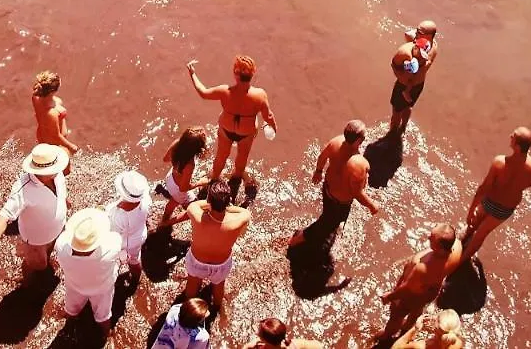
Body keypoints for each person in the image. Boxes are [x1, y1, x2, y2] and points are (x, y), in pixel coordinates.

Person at [288, 120, 380, 252]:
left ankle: (333, 226)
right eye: (363, 138)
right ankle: (296, 240)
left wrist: (318, 172)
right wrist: (372, 205)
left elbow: (322, 157)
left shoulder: (336, 141)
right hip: (340, 202)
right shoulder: (359, 164)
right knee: (325, 224)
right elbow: (357, 193)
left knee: (329, 217)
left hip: (327, 190)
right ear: (358, 141)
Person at [186, 56, 276, 182]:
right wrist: (274, 127)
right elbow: (268, 117)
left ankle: (215, 177)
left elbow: (203, 92)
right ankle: (237, 177)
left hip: (226, 130)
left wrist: (192, 73)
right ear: (253, 74)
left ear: (235, 73)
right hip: (246, 133)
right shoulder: (260, 94)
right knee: (242, 156)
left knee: (221, 156)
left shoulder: (225, 91)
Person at [460, 127, 531, 264]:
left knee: (474, 224)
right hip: (505, 209)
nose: (510, 136)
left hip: (490, 201)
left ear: (517, 147)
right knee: (481, 235)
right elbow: (529, 184)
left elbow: (483, 188)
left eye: (513, 136)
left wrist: (470, 211)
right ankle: (461, 261)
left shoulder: (500, 162)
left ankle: (461, 242)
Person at [0, 143, 70, 278]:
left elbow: (61, 192)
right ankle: (26, 282)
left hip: (57, 228)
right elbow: (5, 214)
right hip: (36, 240)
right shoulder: (23, 189)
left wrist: (66, 202)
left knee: (52, 250)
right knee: (39, 266)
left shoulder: (56, 174)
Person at [379, 224, 463, 341]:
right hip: (430, 291)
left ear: (439, 246)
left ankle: (386, 336)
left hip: (411, 295)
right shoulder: (457, 249)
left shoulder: (424, 268)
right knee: (417, 310)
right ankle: (406, 330)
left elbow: (407, 288)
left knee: (396, 315)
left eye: (431, 238)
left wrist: (390, 296)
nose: (428, 237)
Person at [55, 208, 122, 340]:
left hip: (74, 286)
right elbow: (116, 236)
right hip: (102, 289)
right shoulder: (111, 247)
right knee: (103, 315)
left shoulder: (61, 246)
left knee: (71, 309)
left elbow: (64, 238)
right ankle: (105, 335)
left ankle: (70, 326)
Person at [183, 179, 250, 310]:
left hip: (197, 261)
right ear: (227, 201)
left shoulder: (196, 215)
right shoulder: (238, 219)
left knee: (192, 283)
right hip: (221, 264)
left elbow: (195, 204)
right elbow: (245, 212)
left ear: (209, 201)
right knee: (219, 286)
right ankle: (217, 308)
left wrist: (211, 202)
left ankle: (189, 308)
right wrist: (227, 205)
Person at [388, 23, 437, 136]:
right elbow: (393, 65)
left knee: (405, 108)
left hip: (416, 86)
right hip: (407, 85)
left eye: (419, 32)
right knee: (398, 111)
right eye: (416, 31)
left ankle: (400, 130)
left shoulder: (432, 48)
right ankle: (394, 132)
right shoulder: (405, 52)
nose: (416, 33)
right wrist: (401, 76)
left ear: (429, 36)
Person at [158, 128, 208, 229]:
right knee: (193, 209)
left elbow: (165, 159)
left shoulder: (176, 144)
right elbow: (183, 188)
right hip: (178, 189)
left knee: (172, 203)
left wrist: (177, 164)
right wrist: (199, 182)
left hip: (170, 178)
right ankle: (166, 223)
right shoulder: (190, 165)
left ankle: (164, 218)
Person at [106, 171, 150, 282]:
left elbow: (112, 233)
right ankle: (136, 279)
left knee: (132, 261)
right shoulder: (146, 200)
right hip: (140, 233)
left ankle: (135, 280)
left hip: (127, 243)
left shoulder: (118, 216)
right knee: (135, 259)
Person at [32, 71, 81, 157]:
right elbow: (56, 136)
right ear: (52, 91)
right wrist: (70, 146)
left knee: (49, 161)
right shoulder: (51, 112)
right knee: (65, 164)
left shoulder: (36, 98)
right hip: (54, 142)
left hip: (43, 135)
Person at [392, 310, 464, 349]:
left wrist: (415, 329)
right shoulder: (457, 343)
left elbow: (395, 347)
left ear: (436, 328)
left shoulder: (421, 346)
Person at [241, 318, 324, 349]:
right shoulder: (295, 344)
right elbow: (319, 345)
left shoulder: (256, 346)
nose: (256, 333)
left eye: (259, 333)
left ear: (265, 340)